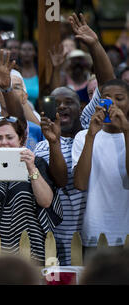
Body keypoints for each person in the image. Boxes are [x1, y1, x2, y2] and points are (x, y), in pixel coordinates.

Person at [0, 102, 62, 263]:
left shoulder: (37, 162)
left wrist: (31, 169)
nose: (4, 142)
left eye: (10, 137)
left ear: (21, 139)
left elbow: (46, 201)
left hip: (32, 250)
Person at [72, 79, 129, 261]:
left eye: (119, 98)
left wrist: (126, 131)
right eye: (106, 98)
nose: (112, 103)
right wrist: (91, 135)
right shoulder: (83, 136)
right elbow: (80, 183)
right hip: (95, 233)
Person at [34, 87, 87, 266]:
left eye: (69, 102)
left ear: (81, 109)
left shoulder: (91, 138)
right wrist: (54, 142)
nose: (62, 106)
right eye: (56, 104)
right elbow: (60, 181)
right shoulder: (42, 147)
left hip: (92, 234)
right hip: (58, 237)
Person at [19, 41, 39, 108]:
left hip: (38, 111)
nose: (26, 52)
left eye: (30, 49)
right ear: (19, 52)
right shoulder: (16, 71)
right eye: (24, 49)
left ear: (35, 53)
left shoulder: (40, 72)